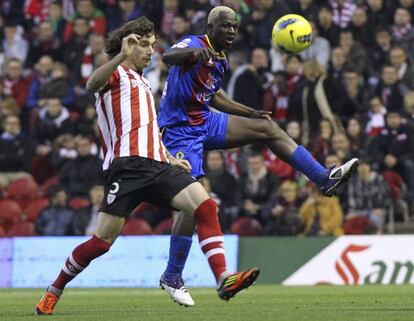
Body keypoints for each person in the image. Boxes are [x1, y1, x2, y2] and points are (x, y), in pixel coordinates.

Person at [35, 17, 259, 316]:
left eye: (153, 46)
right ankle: (54, 289)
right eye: (146, 45)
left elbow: (147, 131)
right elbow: (91, 83)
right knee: (101, 243)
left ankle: (223, 278)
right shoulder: (115, 74)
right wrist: (121, 56)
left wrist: (169, 157)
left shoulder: (143, 82)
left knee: (204, 205)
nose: (152, 52)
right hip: (127, 168)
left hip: (157, 164)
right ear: (129, 45)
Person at [157, 6, 359, 305]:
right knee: (195, 203)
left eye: (235, 27)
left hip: (205, 121)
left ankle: (323, 178)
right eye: (226, 26)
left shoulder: (222, 60)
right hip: (179, 130)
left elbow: (215, 97)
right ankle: (173, 275)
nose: (232, 32)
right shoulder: (194, 44)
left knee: (266, 126)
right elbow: (167, 57)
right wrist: (193, 55)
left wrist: (248, 111)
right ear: (211, 26)